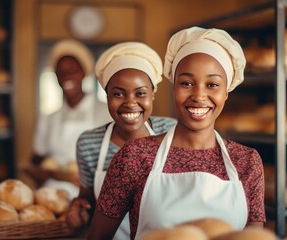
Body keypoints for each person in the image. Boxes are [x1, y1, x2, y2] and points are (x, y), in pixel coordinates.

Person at [87, 27, 266, 240]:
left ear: (226, 92)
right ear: (173, 88)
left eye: (212, 84)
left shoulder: (246, 161)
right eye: (187, 83)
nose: (199, 95)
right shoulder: (135, 156)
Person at [65, 42, 177, 239]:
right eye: (118, 94)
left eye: (140, 93)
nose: (130, 103)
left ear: (153, 94)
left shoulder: (170, 131)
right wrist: (78, 206)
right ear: (107, 96)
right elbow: (87, 197)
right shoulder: (89, 143)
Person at [26, 39, 112, 197]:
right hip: (53, 191)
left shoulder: (106, 111)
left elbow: (119, 157)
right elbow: (37, 158)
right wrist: (36, 172)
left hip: (95, 191)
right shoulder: (49, 117)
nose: (66, 76)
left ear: (84, 72)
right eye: (60, 72)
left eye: (72, 70)